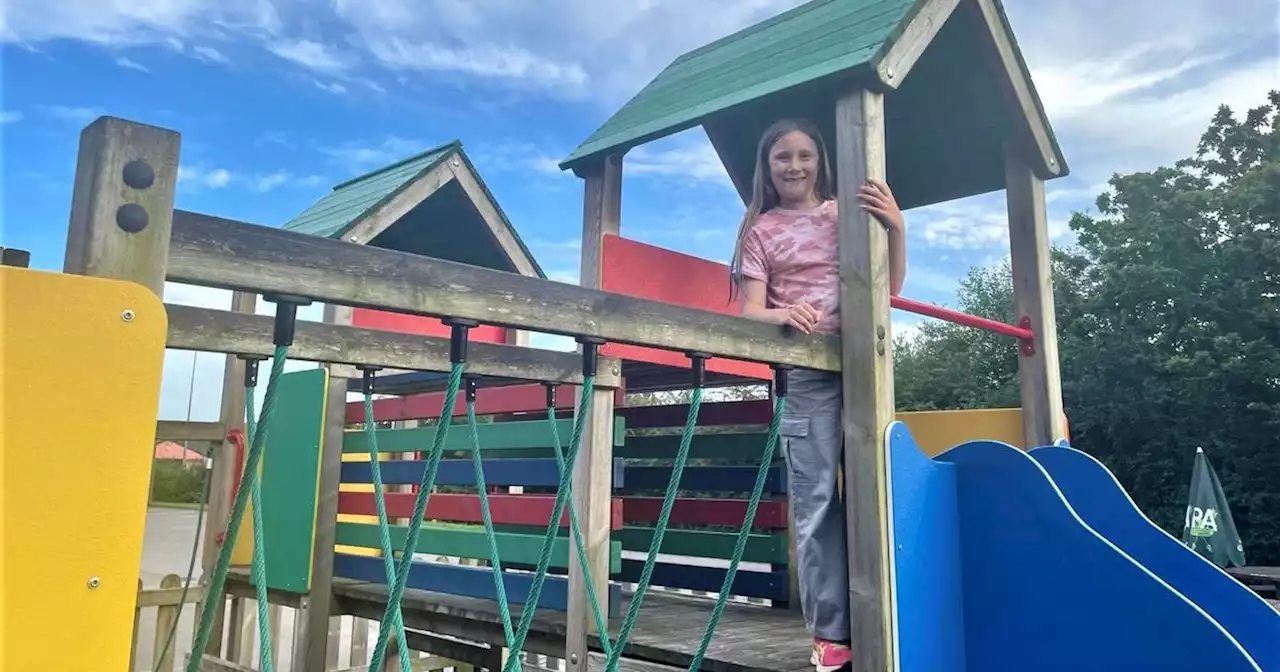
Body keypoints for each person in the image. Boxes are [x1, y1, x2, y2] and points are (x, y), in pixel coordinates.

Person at [728, 118, 907, 672]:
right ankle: (832, 631)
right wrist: (784, 314)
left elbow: (889, 289)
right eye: (783, 157)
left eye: (805, 155)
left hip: (863, 362)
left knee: (875, 487)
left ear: (820, 162)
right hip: (806, 373)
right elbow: (748, 312)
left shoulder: (844, 215)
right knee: (816, 502)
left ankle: (884, 610)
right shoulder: (760, 230)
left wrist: (896, 228)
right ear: (767, 166)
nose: (795, 166)